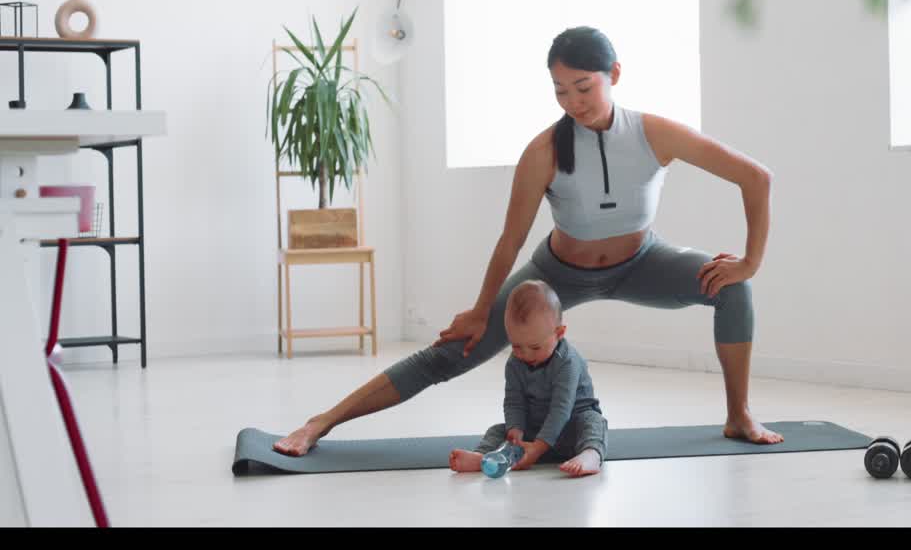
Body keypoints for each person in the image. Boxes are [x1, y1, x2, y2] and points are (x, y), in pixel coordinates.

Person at [273, 25, 781, 458]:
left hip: (642, 261)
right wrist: (477, 311)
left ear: (615, 75)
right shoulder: (543, 151)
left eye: (583, 87)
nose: (572, 102)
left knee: (732, 287)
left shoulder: (655, 133)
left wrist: (750, 263)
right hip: (557, 275)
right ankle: (323, 421)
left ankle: (738, 415)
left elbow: (755, 177)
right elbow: (509, 241)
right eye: (560, 90)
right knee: (453, 352)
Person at [449, 279, 607, 478]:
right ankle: (483, 456)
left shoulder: (568, 362)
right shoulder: (515, 363)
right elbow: (514, 400)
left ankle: (590, 455)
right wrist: (516, 429)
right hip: (535, 428)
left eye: (535, 347)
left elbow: (561, 408)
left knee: (594, 421)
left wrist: (538, 448)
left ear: (559, 333)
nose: (526, 355)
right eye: (516, 346)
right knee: (498, 430)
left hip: (570, 429)